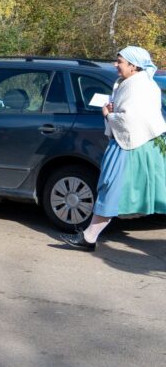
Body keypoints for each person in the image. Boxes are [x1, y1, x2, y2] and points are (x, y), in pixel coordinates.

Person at [61, 47, 166, 251]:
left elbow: (130, 120)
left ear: (133, 65)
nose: (115, 64)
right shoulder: (133, 83)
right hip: (132, 143)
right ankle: (89, 237)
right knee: (111, 189)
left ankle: (88, 238)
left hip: (131, 145)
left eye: (120, 61)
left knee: (110, 189)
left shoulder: (139, 87)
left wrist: (107, 114)